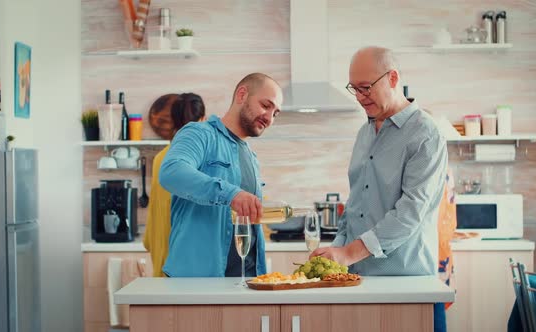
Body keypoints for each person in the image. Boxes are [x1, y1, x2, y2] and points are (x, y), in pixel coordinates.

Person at [310, 46, 448, 331]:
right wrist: (336, 253)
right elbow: (356, 204)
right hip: (359, 281)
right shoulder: (364, 133)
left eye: (366, 88)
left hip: (406, 285)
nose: (360, 97)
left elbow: (410, 212)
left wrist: (349, 254)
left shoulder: (426, 134)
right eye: (355, 89)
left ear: (393, 78)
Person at [159, 73, 283, 277]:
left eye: (275, 113)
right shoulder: (199, 134)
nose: (269, 118)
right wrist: (231, 194)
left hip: (246, 280)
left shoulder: (251, 156)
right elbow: (172, 172)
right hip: (197, 282)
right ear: (242, 94)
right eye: (265, 105)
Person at [142, 93, 206, 277]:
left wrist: (150, 241)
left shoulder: (161, 158)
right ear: (202, 120)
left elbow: (155, 208)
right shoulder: (201, 158)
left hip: (163, 256)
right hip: (187, 263)